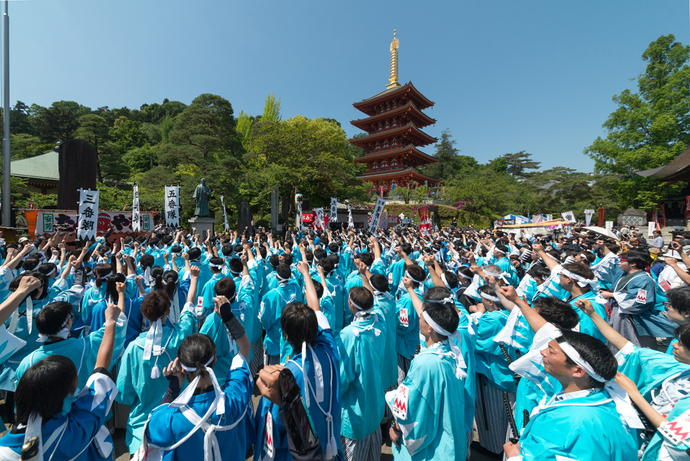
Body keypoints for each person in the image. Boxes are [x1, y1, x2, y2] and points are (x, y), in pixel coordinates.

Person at [0, 299, 121, 460]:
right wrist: (112, 320)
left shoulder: (27, 362)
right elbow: (102, 368)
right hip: (92, 437)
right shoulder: (79, 429)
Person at [254, 261, 343, 461]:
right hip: (333, 446)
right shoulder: (330, 348)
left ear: (285, 336)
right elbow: (315, 306)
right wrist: (306, 274)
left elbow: (272, 428)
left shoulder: (285, 376)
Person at [142, 311, 253, 461]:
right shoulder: (234, 399)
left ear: (181, 367)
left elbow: (150, 432)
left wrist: (173, 389)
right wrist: (228, 315)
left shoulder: (170, 419)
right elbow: (244, 347)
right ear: (214, 358)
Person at [116, 266, 200, 454]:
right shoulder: (181, 335)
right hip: (180, 420)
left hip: (142, 429)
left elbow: (124, 394)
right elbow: (189, 307)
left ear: (143, 314)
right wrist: (193, 279)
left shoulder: (132, 349)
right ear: (168, 310)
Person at [387, 284, 467, 460]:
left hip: (432, 450)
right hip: (450, 437)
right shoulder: (451, 353)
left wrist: (396, 425)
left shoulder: (426, 362)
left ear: (430, 328)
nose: (419, 319)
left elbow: (410, 404)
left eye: (422, 318)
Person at [337, 286, 386, 460]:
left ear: (351, 305)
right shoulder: (379, 322)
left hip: (354, 411)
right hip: (375, 402)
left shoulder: (349, 335)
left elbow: (341, 379)